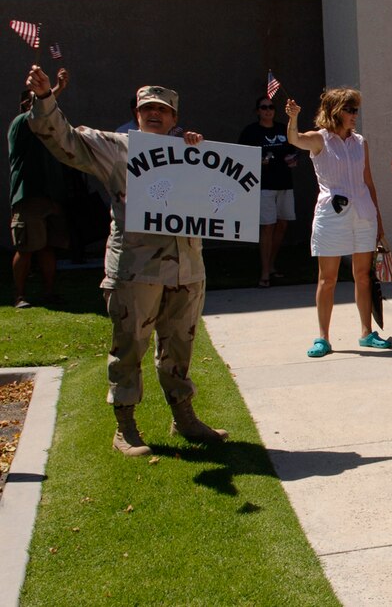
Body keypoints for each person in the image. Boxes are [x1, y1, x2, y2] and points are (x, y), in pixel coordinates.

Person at [24, 65, 227, 455]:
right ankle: (125, 428)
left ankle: (184, 418)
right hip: (137, 270)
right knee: (129, 347)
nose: (155, 114)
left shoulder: (193, 152)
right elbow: (62, 139)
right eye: (147, 108)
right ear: (136, 114)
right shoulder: (116, 147)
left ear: (174, 117)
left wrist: (200, 153)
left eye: (163, 109)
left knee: (180, 346)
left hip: (187, 270)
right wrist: (46, 98)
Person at [285, 89, 389, 357]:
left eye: (356, 110)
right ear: (335, 111)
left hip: (363, 214)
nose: (355, 115)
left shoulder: (360, 142)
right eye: (349, 109)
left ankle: (366, 332)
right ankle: (323, 338)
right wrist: (293, 118)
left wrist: (378, 219)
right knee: (327, 278)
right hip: (331, 215)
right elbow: (295, 139)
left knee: (363, 276)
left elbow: (368, 182)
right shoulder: (320, 139)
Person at [10, 69, 70, 309]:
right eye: (36, 98)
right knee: (25, 249)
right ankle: (19, 296)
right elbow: (39, 109)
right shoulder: (21, 123)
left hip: (51, 197)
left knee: (47, 247)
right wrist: (57, 89)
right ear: (26, 104)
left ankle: (48, 292)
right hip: (29, 197)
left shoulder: (47, 127)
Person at [239, 95, 298, 288]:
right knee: (267, 227)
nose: (268, 110)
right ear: (258, 111)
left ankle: (271, 265)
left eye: (271, 107)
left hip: (285, 184)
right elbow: (241, 157)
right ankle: (264, 273)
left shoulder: (282, 129)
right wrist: (258, 161)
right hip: (263, 186)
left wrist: (293, 158)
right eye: (264, 107)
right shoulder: (250, 132)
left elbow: (294, 148)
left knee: (282, 224)